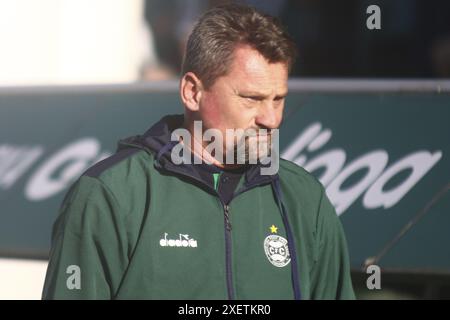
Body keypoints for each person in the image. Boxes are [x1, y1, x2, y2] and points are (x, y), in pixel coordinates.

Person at [42, 3, 355, 300]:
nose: (271, 119)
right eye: (251, 98)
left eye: (278, 99)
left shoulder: (304, 198)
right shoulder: (112, 195)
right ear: (192, 92)